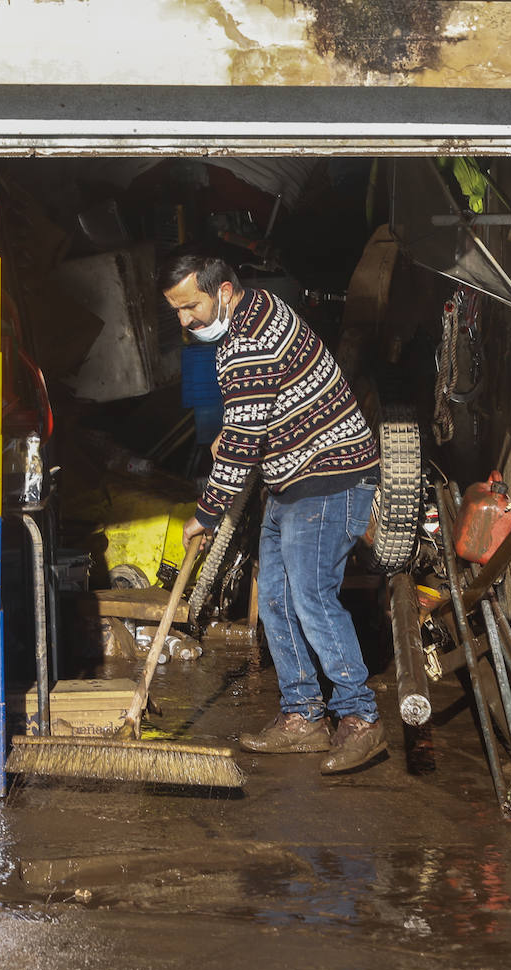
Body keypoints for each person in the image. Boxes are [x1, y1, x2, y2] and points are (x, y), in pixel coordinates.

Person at [157, 245, 387, 774]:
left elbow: (243, 437)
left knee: (310, 598)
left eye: (191, 306)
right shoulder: (255, 310)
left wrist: (207, 514)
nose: (185, 320)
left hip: (328, 478)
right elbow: (253, 416)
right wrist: (238, 438)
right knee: (279, 600)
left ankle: (360, 718)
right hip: (292, 478)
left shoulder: (249, 342)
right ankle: (304, 716)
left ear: (225, 292)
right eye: (175, 310)